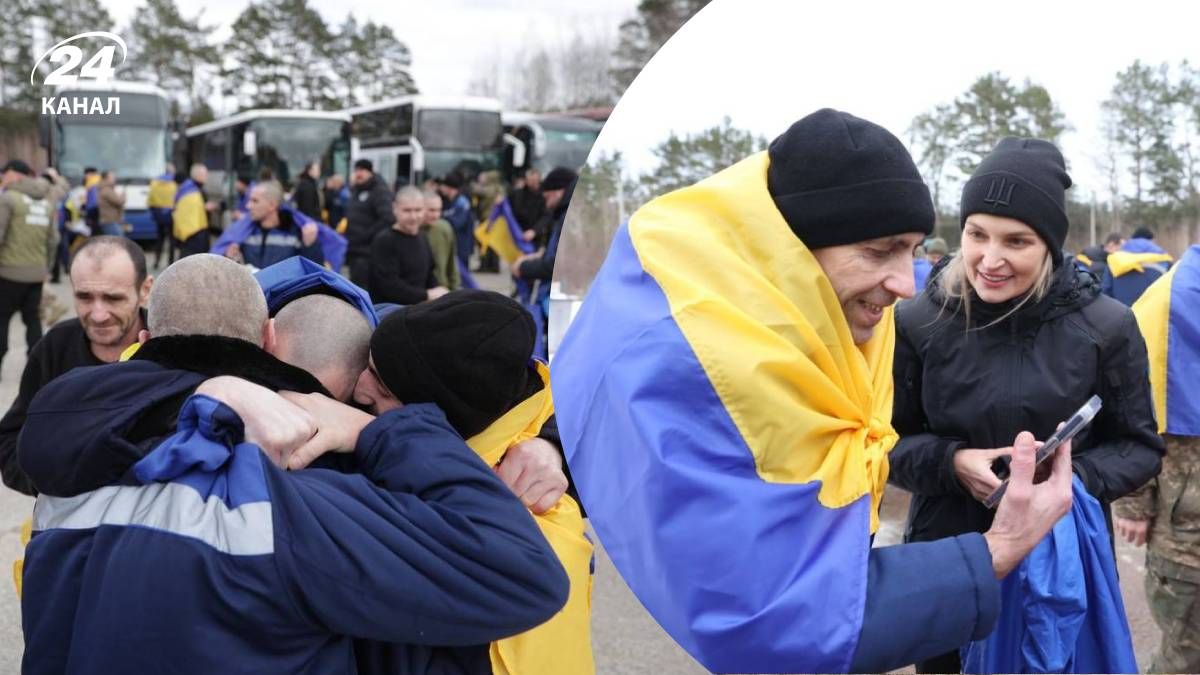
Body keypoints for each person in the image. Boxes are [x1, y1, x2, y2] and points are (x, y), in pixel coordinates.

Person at [552, 109, 1077, 673]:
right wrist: (998, 545)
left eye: (913, 250)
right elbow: (774, 620)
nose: (906, 284)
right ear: (791, 249)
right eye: (879, 251)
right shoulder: (697, 364)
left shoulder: (827, 324)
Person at [18, 254, 569, 674]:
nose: (360, 396)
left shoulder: (73, 458)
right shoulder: (302, 495)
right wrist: (379, 432)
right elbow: (524, 575)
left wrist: (552, 438)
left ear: (143, 340)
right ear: (268, 339)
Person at [889, 137, 1163, 673]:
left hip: (1061, 560)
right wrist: (951, 462)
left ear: (1050, 246)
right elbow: (885, 443)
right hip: (948, 556)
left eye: (1016, 241)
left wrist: (1068, 479)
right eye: (977, 234)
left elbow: (1139, 446)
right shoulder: (918, 322)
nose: (990, 260)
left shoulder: (1106, 326)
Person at [343, 289, 594, 674]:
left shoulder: (520, 528)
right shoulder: (418, 341)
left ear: (443, 425)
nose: (358, 388)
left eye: (383, 387)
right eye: (369, 361)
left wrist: (557, 447)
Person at [0, 235, 151, 495]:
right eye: (84, 297)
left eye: (113, 298)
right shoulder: (55, 346)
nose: (98, 314)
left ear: (145, 290)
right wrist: (53, 488)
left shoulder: (171, 348)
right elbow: (9, 441)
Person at [1113, 243, 1200, 674]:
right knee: (1186, 656)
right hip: (1187, 534)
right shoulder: (1168, 297)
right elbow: (1128, 403)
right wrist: (1133, 499)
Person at [0, 159, 59, 374]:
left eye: (3, 174)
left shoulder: (8, 199)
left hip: (8, 273)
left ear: (14, 174)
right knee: (33, 320)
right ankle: (36, 369)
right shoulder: (46, 203)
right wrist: (46, 268)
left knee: (2, 320)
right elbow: (53, 240)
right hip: (36, 274)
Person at [211, 180, 326, 269]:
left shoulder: (297, 234)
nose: (248, 206)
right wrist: (231, 258)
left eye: (255, 201)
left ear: (272, 205)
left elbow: (313, 272)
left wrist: (310, 247)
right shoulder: (244, 233)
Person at [368, 186, 448, 305]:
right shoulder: (384, 241)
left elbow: (429, 274)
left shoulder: (422, 237)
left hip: (419, 308)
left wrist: (440, 293)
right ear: (395, 209)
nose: (413, 216)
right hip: (390, 310)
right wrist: (427, 295)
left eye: (418, 210)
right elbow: (389, 286)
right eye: (407, 210)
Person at [513, 167, 575, 286]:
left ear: (558, 192)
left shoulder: (569, 218)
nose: (546, 204)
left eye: (547, 197)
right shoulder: (564, 214)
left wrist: (524, 267)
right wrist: (541, 255)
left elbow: (558, 264)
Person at [345, 159, 394, 288]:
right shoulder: (357, 190)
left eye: (362, 170)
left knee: (365, 290)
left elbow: (387, 219)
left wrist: (365, 236)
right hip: (355, 250)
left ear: (370, 172)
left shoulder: (379, 191)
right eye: (356, 170)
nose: (358, 174)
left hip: (369, 253)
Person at [1102, 227, 1173, 306]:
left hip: (1122, 311)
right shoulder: (1165, 260)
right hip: (1153, 311)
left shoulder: (1114, 259)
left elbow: (1106, 292)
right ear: (1151, 240)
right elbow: (1172, 293)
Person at [173, 163, 218, 258]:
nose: (207, 176)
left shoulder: (186, 188)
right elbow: (193, 208)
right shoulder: (194, 191)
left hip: (188, 231)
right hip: (195, 232)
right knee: (194, 259)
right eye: (205, 174)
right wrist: (205, 207)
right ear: (198, 175)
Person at [421, 189, 462, 290]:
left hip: (443, 289)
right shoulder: (412, 231)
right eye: (431, 210)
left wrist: (454, 288)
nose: (436, 215)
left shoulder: (444, 228)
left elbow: (452, 263)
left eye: (439, 210)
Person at [439, 172, 475, 268]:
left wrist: (442, 218)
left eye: (443, 185)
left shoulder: (462, 202)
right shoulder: (446, 200)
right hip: (451, 245)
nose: (441, 188)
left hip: (461, 246)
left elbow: (457, 223)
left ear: (450, 187)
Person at [147, 164, 177, 269]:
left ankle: (156, 261)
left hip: (159, 214)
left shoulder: (155, 183)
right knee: (172, 240)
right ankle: (171, 262)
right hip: (171, 215)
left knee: (160, 239)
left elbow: (150, 200)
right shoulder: (174, 184)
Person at [511, 167, 547, 243]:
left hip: (531, 238)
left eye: (535, 180)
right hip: (514, 232)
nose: (533, 182)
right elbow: (507, 202)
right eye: (530, 179)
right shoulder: (518, 193)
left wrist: (534, 231)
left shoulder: (543, 198)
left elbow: (546, 217)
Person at [96, 170, 125, 236]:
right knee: (118, 240)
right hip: (110, 221)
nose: (115, 179)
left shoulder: (105, 189)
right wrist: (123, 196)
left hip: (109, 221)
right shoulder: (106, 190)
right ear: (105, 179)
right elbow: (119, 201)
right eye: (112, 178)